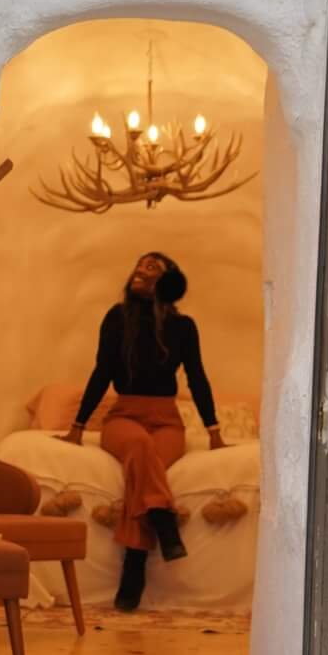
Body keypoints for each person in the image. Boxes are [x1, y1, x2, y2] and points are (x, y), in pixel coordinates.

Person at [64, 252, 225, 611]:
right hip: (124, 417)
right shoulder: (116, 318)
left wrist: (213, 429)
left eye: (152, 266)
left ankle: (134, 564)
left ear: (168, 282)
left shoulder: (184, 327)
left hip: (167, 420)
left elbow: (197, 377)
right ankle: (161, 526)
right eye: (138, 263)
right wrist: (77, 426)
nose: (140, 269)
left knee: (144, 465)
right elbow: (101, 372)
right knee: (139, 447)